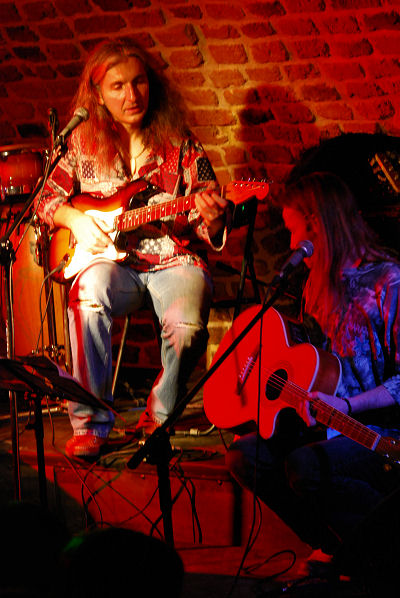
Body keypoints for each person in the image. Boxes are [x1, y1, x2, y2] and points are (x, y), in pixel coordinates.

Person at [36, 39, 229, 458]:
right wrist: (75, 220)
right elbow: (45, 199)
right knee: (86, 294)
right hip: (110, 263)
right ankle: (90, 425)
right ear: (98, 95)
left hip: (172, 258)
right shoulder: (81, 142)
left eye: (139, 82)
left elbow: (204, 215)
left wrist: (212, 218)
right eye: (118, 86)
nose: (132, 95)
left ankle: (158, 416)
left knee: (187, 326)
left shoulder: (180, 142)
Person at [225, 171, 400, 570]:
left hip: (378, 432)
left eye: (293, 231)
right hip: (324, 422)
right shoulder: (315, 283)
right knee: (244, 456)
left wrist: (349, 406)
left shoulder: (389, 282)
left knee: (304, 467)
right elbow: (314, 364)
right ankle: (334, 544)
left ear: (318, 225)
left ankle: (381, 554)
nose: (291, 244)